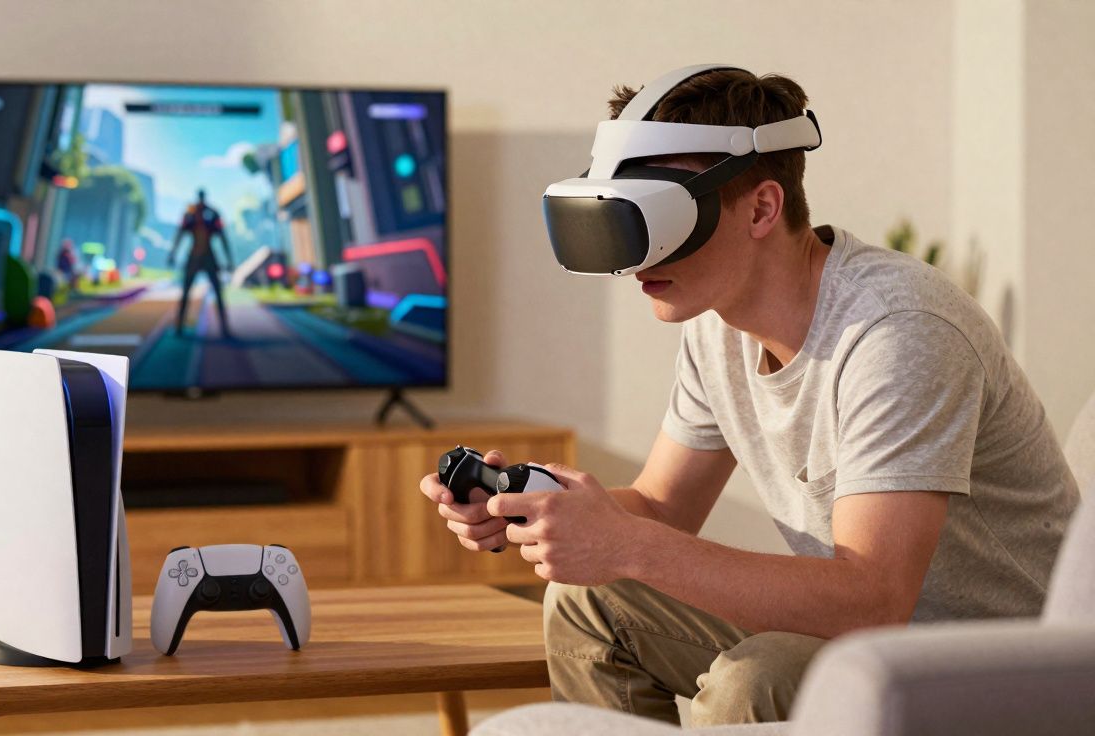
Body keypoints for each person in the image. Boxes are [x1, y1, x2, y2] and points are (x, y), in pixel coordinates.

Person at [418, 67, 1079, 727]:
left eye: (661, 215)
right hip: (868, 636)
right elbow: (661, 507)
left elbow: (872, 599)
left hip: (994, 668)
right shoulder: (718, 327)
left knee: (753, 679)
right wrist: (539, 510)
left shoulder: (897, 331)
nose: (638, 256)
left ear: (762, 208)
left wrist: (627, 544)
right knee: (589, 601)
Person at [169, 188, 234, 338]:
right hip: (196, 256)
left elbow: (222, 237)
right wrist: (172, 253)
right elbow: (180, 234)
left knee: (217, 292)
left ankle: (224, 327)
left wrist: (229, 259)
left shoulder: (210, 214)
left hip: (206, 256)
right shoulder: (193, 213)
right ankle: (179, 326)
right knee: (187, 291)